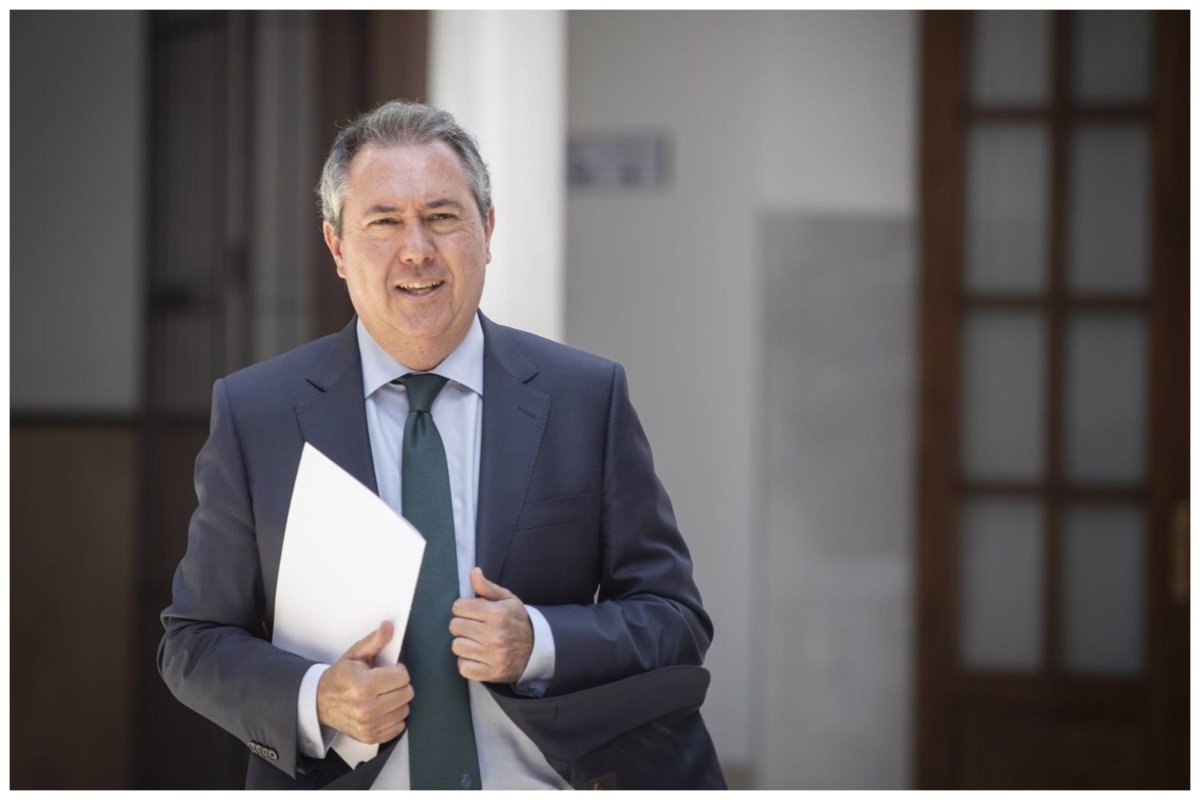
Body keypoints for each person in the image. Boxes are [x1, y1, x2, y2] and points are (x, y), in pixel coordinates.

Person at [158, 99, 724, 790]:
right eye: (384, 222)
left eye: (443, 216)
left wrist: (539, 643)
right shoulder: (257, 414)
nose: (417, 248)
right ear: (337, 247)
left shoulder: (585, 398)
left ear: (487, 231)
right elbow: (193, 642)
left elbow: (674, 618)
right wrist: (316, 699)